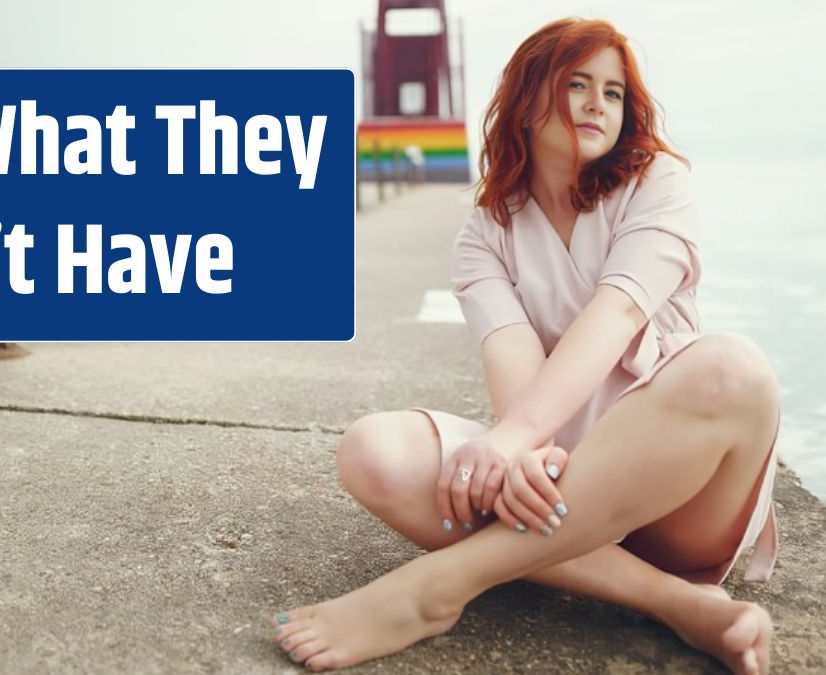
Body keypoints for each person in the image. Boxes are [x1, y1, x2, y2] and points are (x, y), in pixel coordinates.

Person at [271, 17, 780, 674]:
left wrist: (514, 443)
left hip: (679, 502)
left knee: (735, 370)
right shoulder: (485, 234)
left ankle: (439, 585)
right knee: (373, 451)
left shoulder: (658, 185)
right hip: (559, 492)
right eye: (577, 83)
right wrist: (524, 450)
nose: (599, 101)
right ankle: (679, 604)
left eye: (614, 91)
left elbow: (618, 312)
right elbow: (512, 357)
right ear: (527, 97)